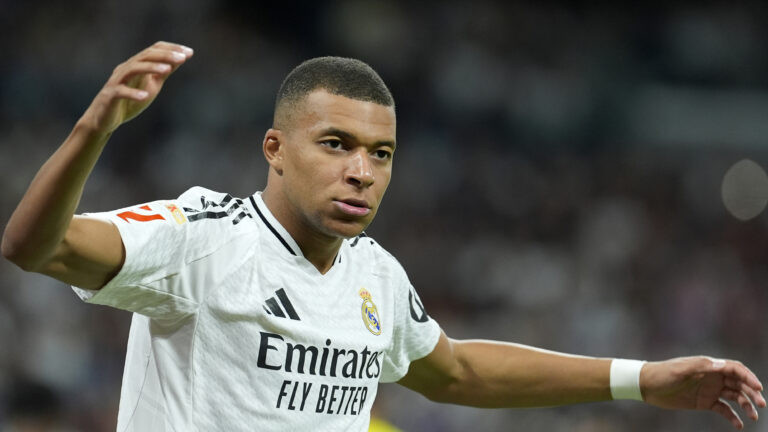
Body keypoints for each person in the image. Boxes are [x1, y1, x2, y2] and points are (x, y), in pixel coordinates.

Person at [2, 41, 765, 431]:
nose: (361, 171)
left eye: (381, 153)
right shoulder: (201, 238)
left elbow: (458, 372)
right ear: (275, 148)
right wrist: (93, 128)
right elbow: (35, 247)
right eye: (335, 144)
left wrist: (643, 379)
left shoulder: (375, 275)